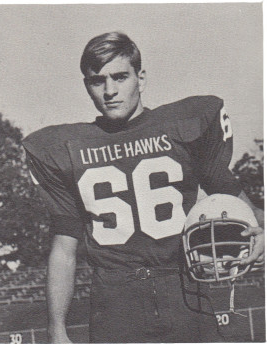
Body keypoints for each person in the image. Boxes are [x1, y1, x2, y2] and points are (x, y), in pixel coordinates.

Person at [23, 32, 264, 343]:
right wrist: (56, 330)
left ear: (141, 78)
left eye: (120, 77)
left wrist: (262, 228)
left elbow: (237, 200)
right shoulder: (65, 148)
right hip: (115, 301)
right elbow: (64, 248)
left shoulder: (183, 127)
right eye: (98, 81)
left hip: (184, 289)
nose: (110, 90)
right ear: (87, 86)